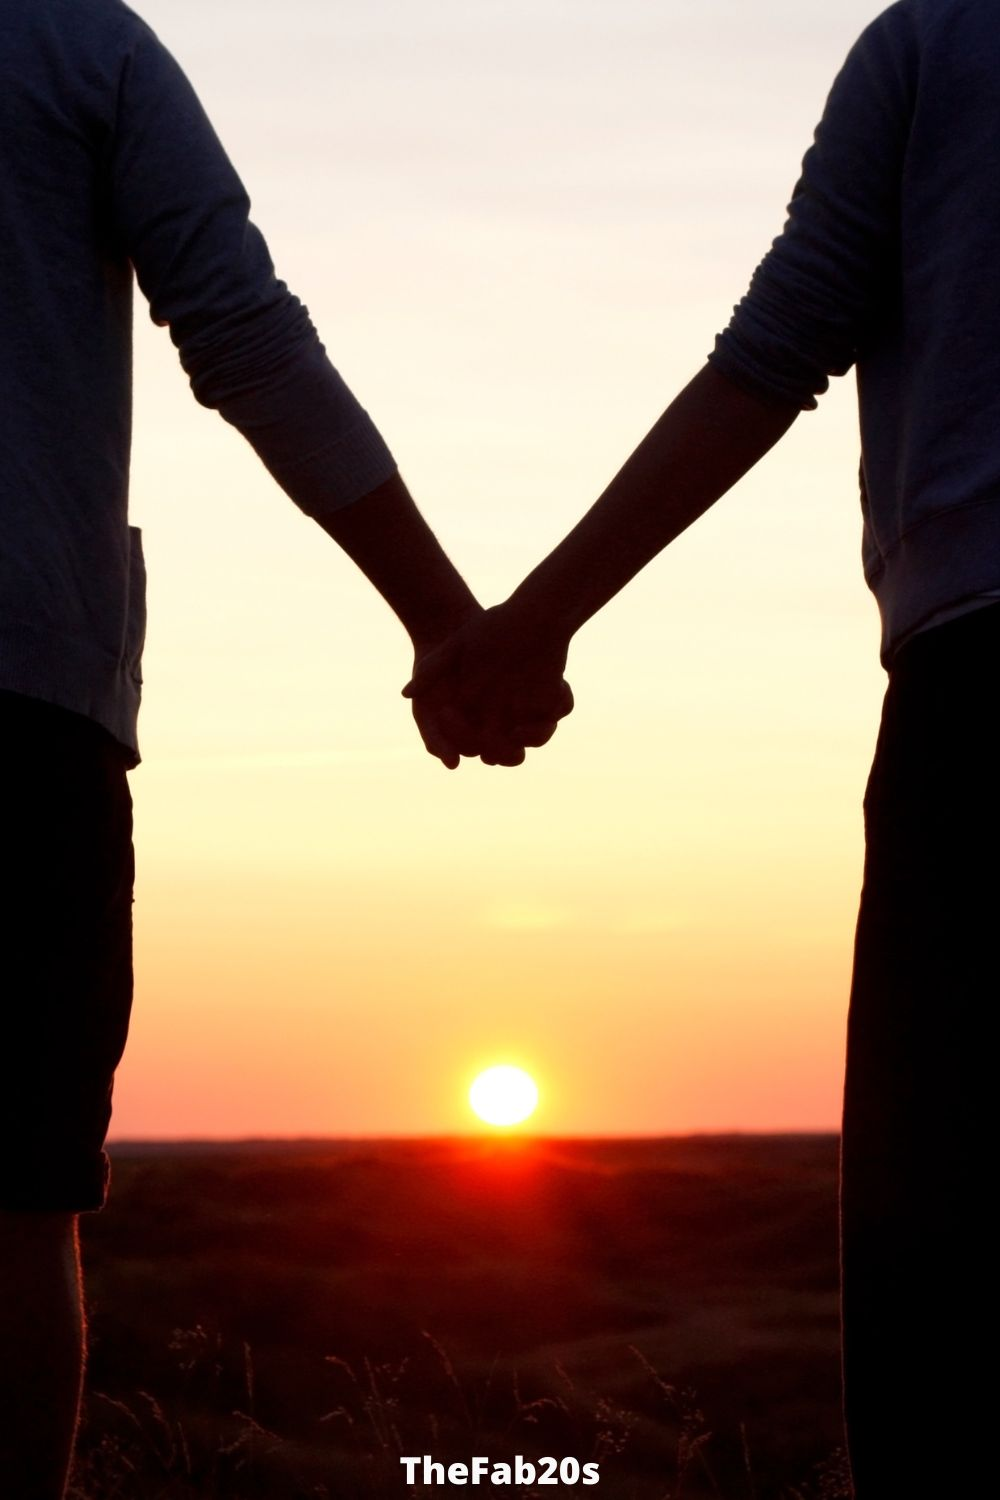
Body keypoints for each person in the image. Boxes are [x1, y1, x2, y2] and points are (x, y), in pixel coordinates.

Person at [408, 0, 998, 1493]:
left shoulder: (932, 44)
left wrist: (530, 624)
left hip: (985, 706)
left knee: (949, 1279)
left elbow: (778, 346)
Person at [0, 2, 570, 1495]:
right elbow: (241, 332)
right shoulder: (78, 45)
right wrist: (445, 621)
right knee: (10, 1203)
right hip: (18, 712)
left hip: (33, 697)